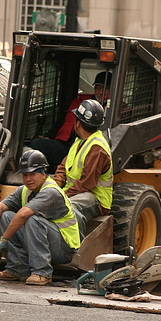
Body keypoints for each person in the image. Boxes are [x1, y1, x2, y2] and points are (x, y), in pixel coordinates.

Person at [0, 150, 81, 285]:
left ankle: (42, 272)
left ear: (44, 174)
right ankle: (17, 269)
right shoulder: (25, 190)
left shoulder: (51, 192)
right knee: (5, 216)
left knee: (33, 219)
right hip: (45, 242)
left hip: (63, 248)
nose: (28, 179)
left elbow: (23, 214)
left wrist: (4, 240)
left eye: (33, 174)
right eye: (25, 175)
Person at [30, 71, 112, 172]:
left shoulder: (114, 110)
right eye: (98, 88)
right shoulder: (79, 103)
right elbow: (63, 122)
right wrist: (49, 136)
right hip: (65, 145)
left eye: (105, 89)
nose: (100, 92)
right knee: (37, 144)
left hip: (84, 150)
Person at [53, 99, 113, 237]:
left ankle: (75, 246)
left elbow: (86, 185)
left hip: (96, 198)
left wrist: (61, 195)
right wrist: (54, 187)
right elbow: (63, 166)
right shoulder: (79, 141)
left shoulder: (97, 148)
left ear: (78, 124)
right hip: (76, 192)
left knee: (69, 207)